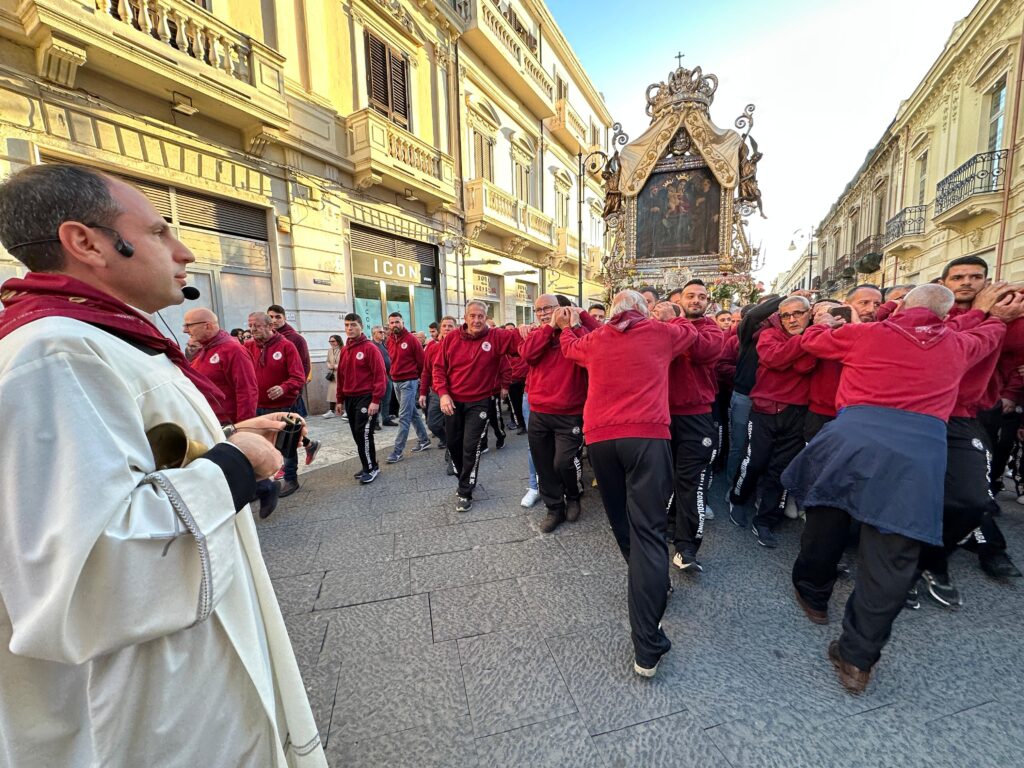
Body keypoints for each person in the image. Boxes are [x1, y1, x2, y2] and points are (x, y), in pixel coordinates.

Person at [0, 163, 325, 766]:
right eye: (157, 232)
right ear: (86, 242)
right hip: (147, 704)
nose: (184, 251)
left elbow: (136, 461)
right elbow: (94, 568)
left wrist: (226, 436)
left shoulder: (102, 339)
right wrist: (235, 464)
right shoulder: (55, 353)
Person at [783, 284, 1014, 693]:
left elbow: (814, 339)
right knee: (892, 554)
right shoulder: (959, 343)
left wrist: (839, 318)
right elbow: (991, 331)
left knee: (826, 517)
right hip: (916, 453)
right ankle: (857, 660)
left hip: (852, 438)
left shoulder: (867, 333)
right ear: (945, 315)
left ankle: (813, 597)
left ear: (901, 306)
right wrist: (985, 312)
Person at [558, 290, 698, 678]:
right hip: (646, 437)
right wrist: (673, 312)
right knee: (649, 531)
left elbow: (571, 346)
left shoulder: (597, 339)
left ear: (613, 314)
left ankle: (648, 581)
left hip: (601, 440)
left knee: (623, 524)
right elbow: (690, 333)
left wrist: (571, 324)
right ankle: (647, 644)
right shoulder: (660, 332)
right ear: (644, 311)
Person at [729, 295, 816, 548]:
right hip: (764, 410)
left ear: (809, 313)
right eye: (786, 315)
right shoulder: (769, 335)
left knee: (781, 468)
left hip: (797, 412)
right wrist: (807, 340)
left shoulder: (814, 335)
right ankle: (737, 499)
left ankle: (766, 520)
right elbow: (773, 358)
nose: (792, 319)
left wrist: (799, 347)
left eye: (798, 313)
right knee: (754, 461)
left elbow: (806, 366)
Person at [432, 301, 524, 513]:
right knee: (453, 445)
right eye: (472, 316)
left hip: (480, 402)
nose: (476, 320)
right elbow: (438, 369)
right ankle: (463, 477)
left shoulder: (495, 337)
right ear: (465, 318)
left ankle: (465, 490)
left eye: (480, 316)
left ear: (486, 318)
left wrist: (527, 330)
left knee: (471, 447)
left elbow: (519, 342)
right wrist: (443, 394)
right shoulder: (451, 339)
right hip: (453, 401)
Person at [519, 294, 597, 532]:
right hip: (539, 411)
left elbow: (592, 349)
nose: (543, 313)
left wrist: (578, 318)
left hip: (570, 412)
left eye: (548, 308)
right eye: (539, 310)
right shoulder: (537, 334)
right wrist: (549, 327)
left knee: (564, 462)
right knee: (543, 465)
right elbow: (527, 355)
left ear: (561, 308)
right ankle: (554, 508)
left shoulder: (577, 332)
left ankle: (573, 495)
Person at [666, 280, 725, 570]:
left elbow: (701, 351)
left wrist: (675, 320)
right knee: (664, 477)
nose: (696, 300)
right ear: (679, 299)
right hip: (661, 415)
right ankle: (668, 524)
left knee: (691, 481)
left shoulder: (712, 329)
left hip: (696, 416)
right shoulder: (662, 327)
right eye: (690, 296)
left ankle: (686, 547)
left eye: (702, 297)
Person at [246, 311, 307, 497]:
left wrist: (283, 387)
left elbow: (299, 377)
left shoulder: (287, 346)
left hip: (284, 406)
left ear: (270, 326)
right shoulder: (247, 346)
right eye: (250, 325)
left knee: (287, 446)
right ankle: (262, 485)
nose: (252, 329)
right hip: (258, 406)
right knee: (260, 447)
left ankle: (291, 479)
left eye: (257, 325)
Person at [267, 304, 321, 466]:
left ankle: (287, 469)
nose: (274, 320)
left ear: (284, 318)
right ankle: (310, 445)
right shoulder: (267, 338)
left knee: (287, 432)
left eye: (278, 317)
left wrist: (296, 387)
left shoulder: (295, 339)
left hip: (289, 393)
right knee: (282, 430)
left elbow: (305, 365)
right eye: (271, 317)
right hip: (270, 395)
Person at [335, 313, 386, 483]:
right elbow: (341, 376)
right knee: (357, 434)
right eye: (347, 325)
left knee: (363, 433)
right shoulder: (345, 350)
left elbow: (380, 376)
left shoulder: (370, 348)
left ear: (361, 327)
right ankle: (369, 464)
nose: (349, 328)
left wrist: (376, 400)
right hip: (350, 398)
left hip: (366, 398)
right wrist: (339, 400)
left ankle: (370, 469)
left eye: (353, 325)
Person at [385, 311, 431, 463]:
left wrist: (421, 380)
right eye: (392, 322)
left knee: (404, 416)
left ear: (403, 323)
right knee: (412, 413)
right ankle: (424, 440)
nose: (395, 325)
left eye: (397, 322)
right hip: (396, 381)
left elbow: (422, 362)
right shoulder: (389, 340)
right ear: (389, 324)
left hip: (409, 382)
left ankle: (397, 451)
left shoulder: (411, 340)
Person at [419, 316, 457, 455]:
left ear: (456, 328)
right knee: (433, 424)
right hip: (436, 393)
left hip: (455, 393)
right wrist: (423, 393)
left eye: (450, 326)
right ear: (440, 329)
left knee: (454, 426)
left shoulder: (461, 346)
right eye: (444, 326)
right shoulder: (432, 348)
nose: (447, 328)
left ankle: (452, 453)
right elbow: (426, 372)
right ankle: (447, 440)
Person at [371, 325, 397, 427]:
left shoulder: (384, 345)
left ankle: (386, 419)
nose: (383, 334)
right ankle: (375, 421)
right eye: (380, 332)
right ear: (374, 334)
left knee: (387, 399)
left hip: (388, 376)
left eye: (383, 332)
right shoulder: (371, 346)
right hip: (377, 378)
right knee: (376, 399)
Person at [322, 333, 342, 418]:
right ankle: (331, 410)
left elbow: (345, 361)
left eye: (333, 341)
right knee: (332, 392)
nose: (331, 343)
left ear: (338, 341)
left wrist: (337, 366)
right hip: (333, 374)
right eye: (330, 341)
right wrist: (329, 365)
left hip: (341, 374)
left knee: (343, 391)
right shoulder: (330, 350)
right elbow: (327, 360)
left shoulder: (343, 349)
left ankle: (346, 410)